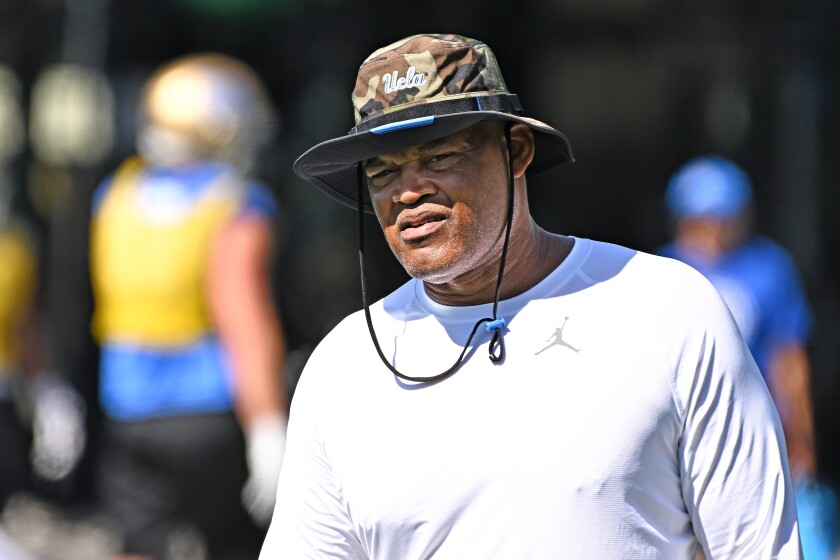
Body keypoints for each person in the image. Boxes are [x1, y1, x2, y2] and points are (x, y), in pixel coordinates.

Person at [260, 34, 801, 558]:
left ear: (515, 151)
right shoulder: (343, 366)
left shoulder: (668, 308)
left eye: (440, 157)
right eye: (382, 171)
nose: (408, 190)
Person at [89, 53, 288, 560]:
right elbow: (245, 321)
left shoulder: (115, 194)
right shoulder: (235, 204)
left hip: (127, 410)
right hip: (207, 413)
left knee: (137, 545)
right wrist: (266, 424)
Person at [659, 154, 837, 558]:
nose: (713, 230)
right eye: (700, 218)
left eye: (723, 217)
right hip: (680, 428)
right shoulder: (662, 269)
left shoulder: (769, 267)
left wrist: (802, 437)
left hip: (755, 425)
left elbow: (789, 361)